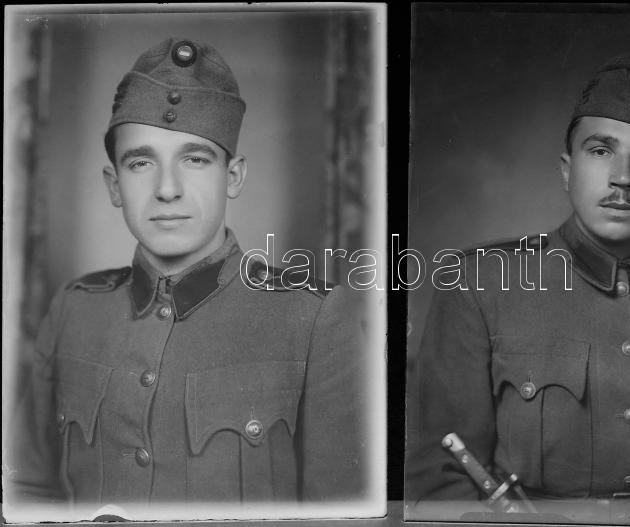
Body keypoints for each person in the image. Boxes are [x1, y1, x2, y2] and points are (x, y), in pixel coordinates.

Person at [406, 49, 630, 522]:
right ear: (567, 170)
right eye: (601, 151)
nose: (622, 178)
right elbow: (437, 479)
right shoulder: (481, 284)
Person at [7, 37, 366, 509]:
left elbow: (342, 514)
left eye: (195, 160)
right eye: (141, 163)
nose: (168, 189)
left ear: (233, 176)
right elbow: (26, 492)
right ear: (114, 185)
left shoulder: (314, 318)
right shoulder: (73, 309)